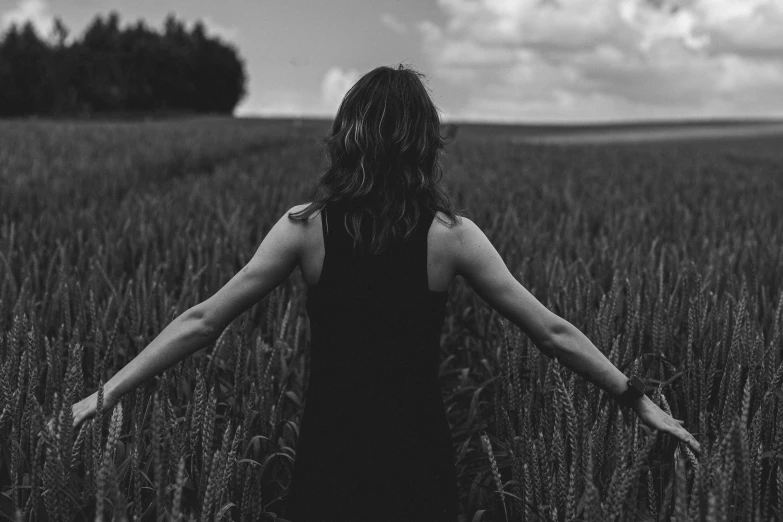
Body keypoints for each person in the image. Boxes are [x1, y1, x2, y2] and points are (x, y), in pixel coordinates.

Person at [69, 64, 701, 521]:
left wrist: (104, 395)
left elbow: (204, 320)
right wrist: (633, 396)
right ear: (424, 143)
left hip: (328, 457)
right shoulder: (452, 238)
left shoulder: (305, 229)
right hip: (417, 459)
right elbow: (552, 331)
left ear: (349, 138)